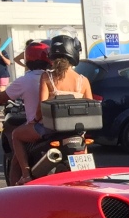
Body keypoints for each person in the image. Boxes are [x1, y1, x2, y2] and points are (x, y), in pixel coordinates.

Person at [9, 37, 91, 185]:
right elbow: (90, 107)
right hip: (77, 133)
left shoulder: (48, 77)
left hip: (49, 129)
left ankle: (26, 175)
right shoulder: (83, 81)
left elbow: (41, 106)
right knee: (85, 174)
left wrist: (34, 121)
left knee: (16, 135)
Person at [0, 42, 50, 184]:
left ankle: (24, 176)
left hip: (39, 127)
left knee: (16, 137)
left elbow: (2, 97)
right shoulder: (54, 77)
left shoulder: (26, 80)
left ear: (28, 60)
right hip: (60, 126)